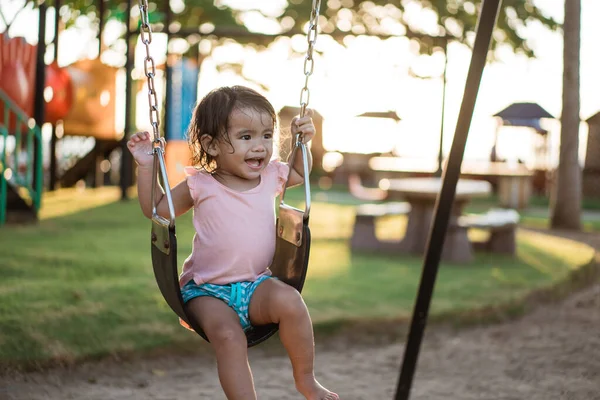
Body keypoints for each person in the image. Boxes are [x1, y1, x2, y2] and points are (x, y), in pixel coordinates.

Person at [127, 86, 339, 400]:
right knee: (229, 337)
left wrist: (302, 143)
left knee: (292, 302)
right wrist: (147, 166)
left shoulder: (270, 176)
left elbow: (298, 171)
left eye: (267, 136)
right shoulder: (201, 183)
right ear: (211, 146)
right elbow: (157, 210)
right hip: (206, 290)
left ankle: (306, 380)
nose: (260, 147)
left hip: (256, 285)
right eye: (246, 137)